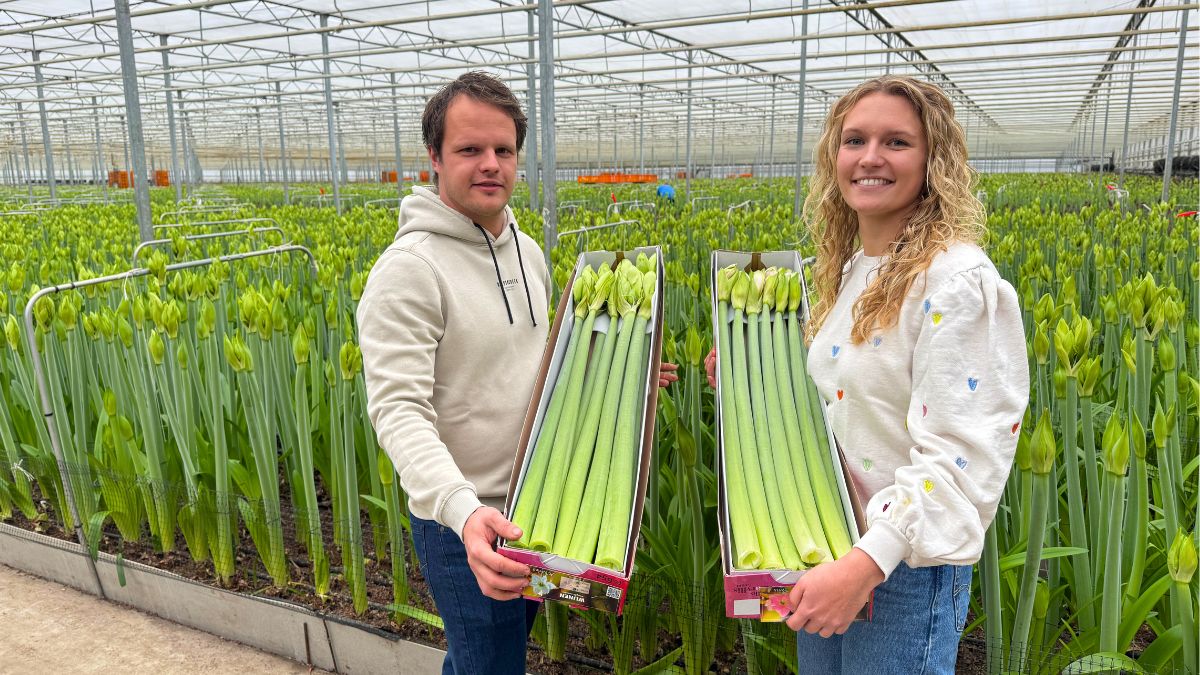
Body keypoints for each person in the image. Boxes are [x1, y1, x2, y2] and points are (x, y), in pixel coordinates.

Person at [706, 75, 1028, 673]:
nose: (870, 157)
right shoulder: (855, 267)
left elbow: (963, 457)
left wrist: (863, 566)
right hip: (828, 550)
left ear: (935, 160)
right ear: (835, 155)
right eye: (854, 139)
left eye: (896, 142)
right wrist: (752, 380)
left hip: (899, 571)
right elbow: (845, 402)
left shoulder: (956, 282)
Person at [358, 71, 676, 675]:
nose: (490, 165)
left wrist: (614, 372)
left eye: (503, 150)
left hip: (538, 504)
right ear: (434, 157)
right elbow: (398, 410)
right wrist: (461, 510)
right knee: (489, 665)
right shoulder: (408, 271)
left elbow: (534, 366)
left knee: (491, 661)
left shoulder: (526, 250)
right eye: (469, 150)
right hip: (467, 524)